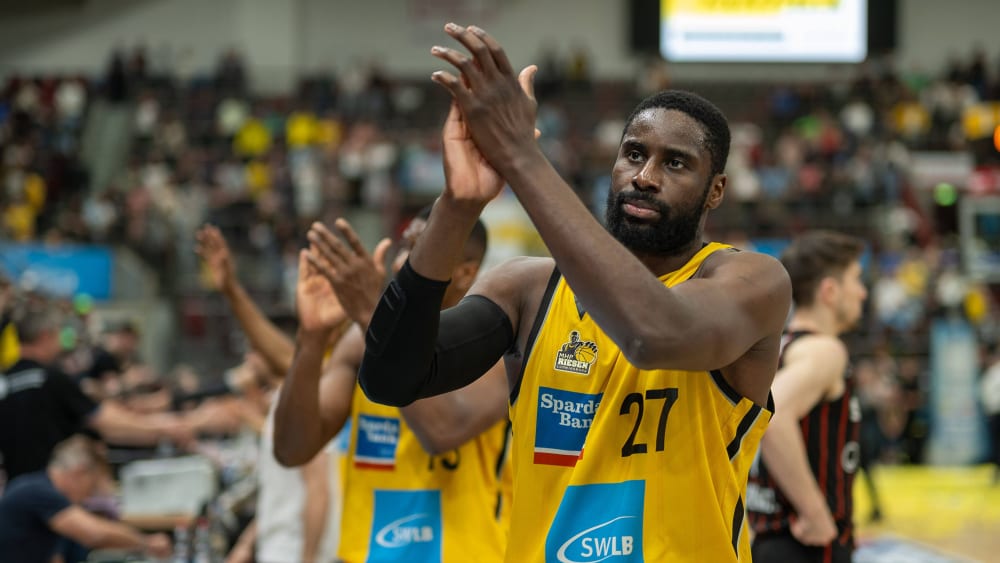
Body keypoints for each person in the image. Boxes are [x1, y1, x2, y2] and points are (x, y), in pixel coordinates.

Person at [357, 23, 791, 562]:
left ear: (716, 190)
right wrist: (459, 204)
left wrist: (522, 158)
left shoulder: (751, 280)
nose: (645, 176)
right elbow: (390, 378)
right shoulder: (527, 287)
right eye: (634, 154)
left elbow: (653, 333)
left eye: (675, 163)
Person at [272, 208, 512, 563]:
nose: (401, 264)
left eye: (421, 251)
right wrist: (311, 338)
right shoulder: (360, 341)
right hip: (368, 554)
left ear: (465, 273)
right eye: (405, 248)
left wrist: (371, 313)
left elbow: (443, 431)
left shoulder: (498, 343)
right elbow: (291, 450)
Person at [196, 227, 342, 563]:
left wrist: (308, 559)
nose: (250, 356)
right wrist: (247, 544)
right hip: (280, 548)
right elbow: (280, 494)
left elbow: (318, 488)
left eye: (255, 348)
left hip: (297, 551)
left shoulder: (315, 392)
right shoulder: (288, 397)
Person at [747, 231, 867, 563]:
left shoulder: (778, 348)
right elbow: (774, 415)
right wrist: (814, 512)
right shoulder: (824, 350)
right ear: (830, 291)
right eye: (856, 279)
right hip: (806, 542)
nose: (863, 292)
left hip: (768, 536)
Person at [0, 304, 193, 482]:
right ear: (45, 336)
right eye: (58, 333)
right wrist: (163, 429)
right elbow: (105, 421)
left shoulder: (5, 382)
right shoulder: (50, 378)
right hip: (52, 487)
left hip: (13, 491)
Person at [0, 435, 172, 562]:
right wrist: (147, 542)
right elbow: (94, 534)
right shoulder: (37, 491)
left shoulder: (43, 498)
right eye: (92, 488)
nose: (88, 497)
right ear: (80, 473)